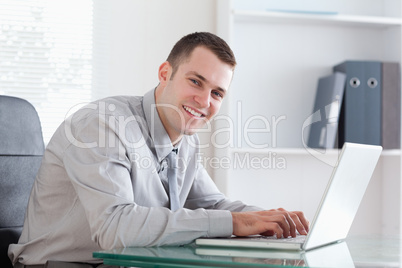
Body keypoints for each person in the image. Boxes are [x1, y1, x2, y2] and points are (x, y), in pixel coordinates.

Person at [9, 32, 309, 266]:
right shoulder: (101, 125)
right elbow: (115, 229)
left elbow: (213, 206)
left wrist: (272, 221)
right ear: (165, 73)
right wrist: (236, 223)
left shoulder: (185, 140)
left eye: (217, 93)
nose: (205, 102)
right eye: (195, 81)